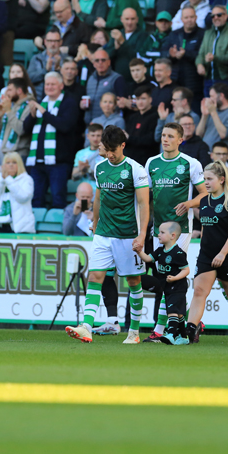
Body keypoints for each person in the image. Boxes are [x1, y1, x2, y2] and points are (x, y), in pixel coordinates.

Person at [65, 125, 149, 345]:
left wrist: (142, 235)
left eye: (114, 150)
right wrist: (95, 222)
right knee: (95, 277)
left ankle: (134, 331)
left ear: (123, 146)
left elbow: (143, 204)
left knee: (133, 281)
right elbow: (98, 198)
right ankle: (86, 327)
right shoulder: (100, 167)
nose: (110, 154)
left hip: (128, 234)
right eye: (107, 149)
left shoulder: (136, 169)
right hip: (104, 232)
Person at [142, 121, 207, 340]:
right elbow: (145, 196)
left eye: (170, 136)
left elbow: (205, 194)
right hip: (158, 229)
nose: (165, 139)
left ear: (180, 140)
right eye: (163, 135)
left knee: (171, 275)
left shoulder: (190, 163)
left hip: (181, 229)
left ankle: (161, 329)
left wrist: (189, 204)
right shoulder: (151, 163)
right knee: (162, 277)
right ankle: (187, 322)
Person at [186, 160, 228, 344]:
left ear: (222, 179)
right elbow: (206, 227)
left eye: (209, 179)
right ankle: (190, 330)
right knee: (199, 291)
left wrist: (222, 254)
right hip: (207, 255)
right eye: (204, 179)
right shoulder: (204, 201)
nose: (205, 182)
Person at [24, 71, 80, 209]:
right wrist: (32, 115)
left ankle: (57, 223)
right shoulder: (41, 102)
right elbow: (26, 129)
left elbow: (65, 126)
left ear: (61, 85)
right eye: (47, 84)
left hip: (59, 162)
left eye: (53, 84)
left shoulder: (69, 102)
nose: (49, 87)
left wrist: (44, 113)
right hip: (37, 162)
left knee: (58, 198)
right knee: (36, 199)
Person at [135, 221, 191, 344]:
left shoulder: (178, 253)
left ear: (173, 236)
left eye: (162, 232)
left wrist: (175, 278)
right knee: (179, 314)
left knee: (172, 311)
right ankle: (183, 337)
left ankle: (170, 334)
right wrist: (139, 252)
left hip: (178, 287)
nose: (158, 235)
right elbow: (148, 259)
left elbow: (186, 270)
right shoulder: (160, 251)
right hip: (167, 287)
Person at [195, 4, 228, 95]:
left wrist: (215, 58)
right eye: (213, 16)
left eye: (219, 15)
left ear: (226, 16)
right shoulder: (207, 33)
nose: (216, 18)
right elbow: (201, 54)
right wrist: (199, 64)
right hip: (208, 79)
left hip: (225, 79)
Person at [161, 8, 205, 105]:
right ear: (181, 19)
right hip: (175, 80)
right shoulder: (174, 34)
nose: (189, 20)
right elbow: (163, 52)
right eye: (186, 17)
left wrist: (186, 54)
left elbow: (202, 54)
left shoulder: (203, 34)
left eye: (191, 17)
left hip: (195, 82)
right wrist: (170, 55)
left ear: (196, 17)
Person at [0, 152, 35, 233]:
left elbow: (23, 197)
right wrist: (1, 180)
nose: (11, 165)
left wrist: (9, 180)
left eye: (14, 162)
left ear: (19, 164)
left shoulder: (26, 179)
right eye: (8, 163)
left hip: (20, 227)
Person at [82, 48, 127, 125]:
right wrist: (82, 105)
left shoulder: (117, 79)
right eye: (97, 60)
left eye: (103, 60)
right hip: (90, 125)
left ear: (109, 62)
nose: (100, 63)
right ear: (93, 63)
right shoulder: (90, 78)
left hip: (108, 125)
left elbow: (121, 103)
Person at [197, 83, 228, 154]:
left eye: (212, 96)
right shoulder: (211, 111)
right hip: (204, 153)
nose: (210, 99)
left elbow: (223, 134)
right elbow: (198, 134)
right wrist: (204, 115)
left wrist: (213, 112)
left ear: (221, 96)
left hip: (221, 156)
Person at [125, 85, 159, 169]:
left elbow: (151, 139)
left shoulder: (156, 116)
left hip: (147, 163)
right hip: (131, 162)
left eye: (143, 99)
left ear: (150, 99)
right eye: (137, 99)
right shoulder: (132, 117)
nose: (140, 102)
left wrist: (129, 138)